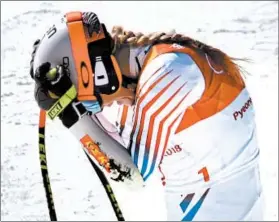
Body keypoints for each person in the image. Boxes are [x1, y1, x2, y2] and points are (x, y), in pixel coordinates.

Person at [29, 11, 264, 221]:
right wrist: (70, 108)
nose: (100, 109)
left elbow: (133, 177)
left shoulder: (167, 72)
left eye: (92, 101)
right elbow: (115, 153)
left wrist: (72, 115)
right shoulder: (139, 81)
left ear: (96, 73)